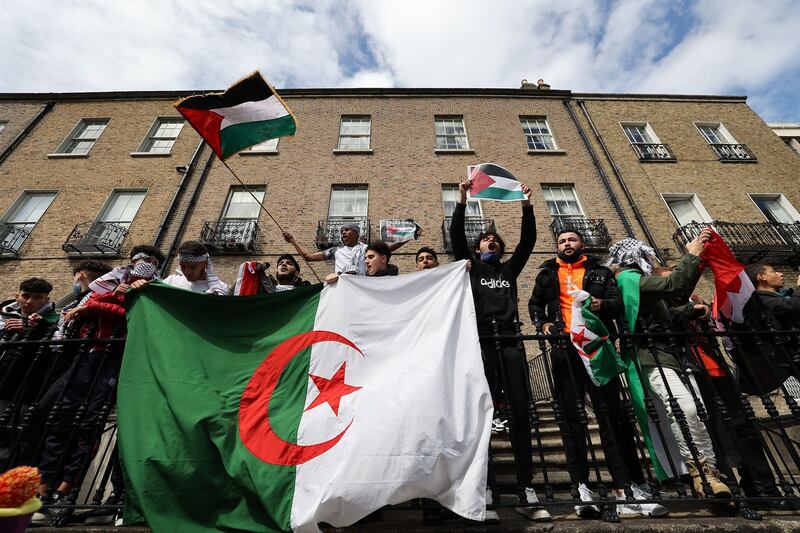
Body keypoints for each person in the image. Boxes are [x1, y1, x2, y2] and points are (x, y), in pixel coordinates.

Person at [530, 230, 666, 520]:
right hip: (565, 349)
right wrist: (542, 325)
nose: (567, 244)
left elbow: (616, 305)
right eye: (562, 241)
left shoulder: (601, 272)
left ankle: (628, 488)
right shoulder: (546, 274)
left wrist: (599, 304)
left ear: (582, 244)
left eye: (572, 240)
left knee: (613, 415)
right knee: (571, 418)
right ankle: (582, 489)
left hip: (597, 347)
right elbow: (534, 304)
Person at [35, 249, 162, 526]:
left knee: (90, 423)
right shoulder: (111, 281)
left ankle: (66, 491)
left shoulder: (152, 289)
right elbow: (96, 299)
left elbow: (130, 313)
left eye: (150, 263)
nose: (142, 265)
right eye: (139, 260)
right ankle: (43, 491)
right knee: (60, 419)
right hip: (85, 355)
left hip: (115, 359)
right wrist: (113, 296)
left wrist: (96, 306)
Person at [449, 179, 550, 523]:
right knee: (481, 418)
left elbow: (529, 242)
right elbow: (456, 239)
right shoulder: (472, 267)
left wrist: (526, 205)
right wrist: (461, 200)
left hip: (510, 342)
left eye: (495, 240)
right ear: (477, 249)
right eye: (485, 240)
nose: (490, 241)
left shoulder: (508, 269)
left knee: (521, 414)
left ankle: (526, 488)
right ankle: (486, 488)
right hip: (481, 344)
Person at [607, 231, 731, 501]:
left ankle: (710, 474)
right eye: (648, 256)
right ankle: (699, 471)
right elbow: (674, 286)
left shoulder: (639, 281)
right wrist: (692, 254)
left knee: (695, 410)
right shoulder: (629, 278)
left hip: (672, 355)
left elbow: (669, 307)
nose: (652, 260)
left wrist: (689, 311)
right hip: (651, 357)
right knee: (683, 407)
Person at [655, 267, 789, 512]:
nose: (676, 284)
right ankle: (726, 494)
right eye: (669, 282)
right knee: (710, 437)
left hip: (717, 372)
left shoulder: (697, 303)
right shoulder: (660, 309)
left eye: (677, 278)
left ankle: (763, 489)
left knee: (745, 429)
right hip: (688, 374)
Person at [0, 278, 59, 467]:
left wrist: (29, 335)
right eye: (25, 296)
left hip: (18, 395)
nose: (29, 301)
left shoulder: (51, 324)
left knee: (8, 447)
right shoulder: (3, 317)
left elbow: (49, 360)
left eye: (37, 297)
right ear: (17, 296)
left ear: (46, 299)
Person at [283, 224, 407, 278]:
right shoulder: (335, 250)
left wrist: (408, 237)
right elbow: (309, 257)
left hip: (362, 287)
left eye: (347, 229)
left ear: (357, 233)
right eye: (342, 231)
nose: (343, 232)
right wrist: (292, 241)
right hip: (341, 288)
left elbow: (387, 249)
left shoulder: (365, 248)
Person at [162, 241, 229, 295]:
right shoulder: (170, 282)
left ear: (205, 263)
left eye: (193, 267)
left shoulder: (219, 289)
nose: (187, 271)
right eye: (183, 266)